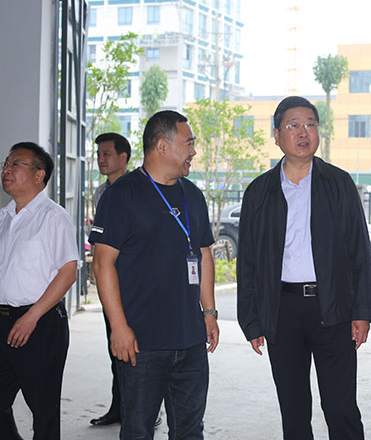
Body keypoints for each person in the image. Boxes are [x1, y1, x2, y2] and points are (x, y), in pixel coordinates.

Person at [237, 96, 371, 440]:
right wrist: (251, 319)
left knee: (341, 407)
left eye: (311, 124)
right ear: (276, 135)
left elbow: (359, 252)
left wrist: (362, 312)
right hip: (282, 310)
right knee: (294, 409)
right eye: (293, 125)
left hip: (334, 308)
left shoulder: (339, 184)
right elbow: (248, 262)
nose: (303, 132)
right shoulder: (259, 192)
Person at [90, 110, 219, 439]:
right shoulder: (123, 194)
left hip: (191, 340)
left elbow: (203, 253)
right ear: (162, 146)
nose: (193, 151)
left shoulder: (193, 195)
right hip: (141, 342)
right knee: (138, 431)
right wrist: (118, 328)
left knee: (190, 431)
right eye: (188, 143)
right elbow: (102, 264)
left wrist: (209, 312)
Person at [0, 142, 79, 440]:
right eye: (5, 164)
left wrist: (31, 317)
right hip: (4, 321)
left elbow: (68, 272)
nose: (6, 170)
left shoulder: (53, 217)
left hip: (39, 323)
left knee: (43, 411)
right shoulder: (3, 218)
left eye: (15, 163)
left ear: (38, 175)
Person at [90, 132, 131, 427]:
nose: (101, 160)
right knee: (115, 347)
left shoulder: (138, 190)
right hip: (111, 282)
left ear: (123, 157)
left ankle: (145, 409)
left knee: (140, 352)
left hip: (135, 284)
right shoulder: (100, 193)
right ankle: (119, 406)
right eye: (99, 155)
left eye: (106, 154)